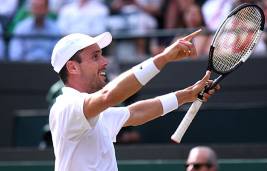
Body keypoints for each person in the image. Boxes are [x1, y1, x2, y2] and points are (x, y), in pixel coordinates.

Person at [49, 30, 220, 171]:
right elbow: (109, 96)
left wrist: (188, 94)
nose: (104, 62)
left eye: (102, 55)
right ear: (73, 67)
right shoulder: (67, 106)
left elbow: (135, 112)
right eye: (95, 57)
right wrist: (164, 57)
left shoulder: (92, 113)